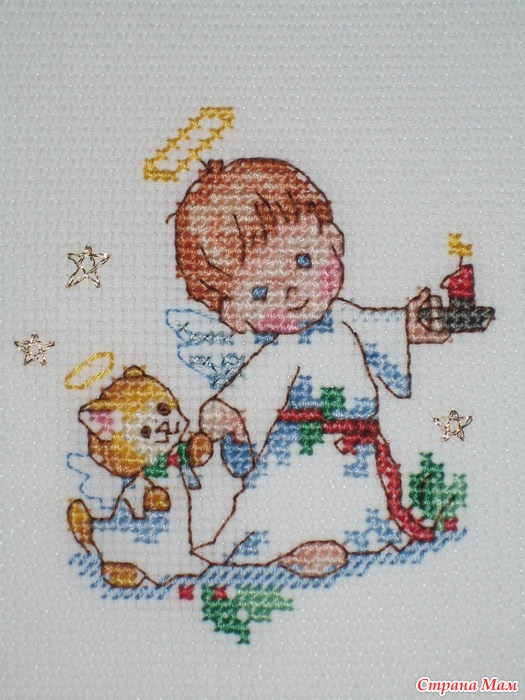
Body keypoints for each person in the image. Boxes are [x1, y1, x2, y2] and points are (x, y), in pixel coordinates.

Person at [174, 158, 449, 578]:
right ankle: (291, 545)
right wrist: (224, 411)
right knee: (291, 505)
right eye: (261, 292)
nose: (291, 292)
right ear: (234, 314)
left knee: (357, 505)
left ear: (331, 241)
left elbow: (385, 328)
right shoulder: (282, 351)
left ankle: (355, 541)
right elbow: (251, 387)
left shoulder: (347, 318)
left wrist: (413, 326)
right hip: (299, 455)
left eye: (303, 261)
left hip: (355, 454)